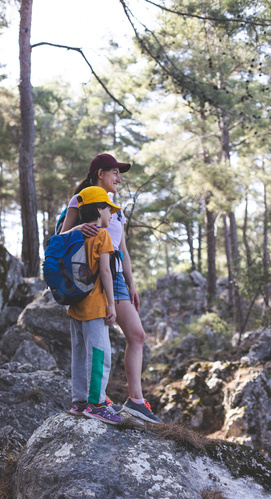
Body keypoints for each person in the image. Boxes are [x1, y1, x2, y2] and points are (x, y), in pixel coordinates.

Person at [62, 153, 162, 424]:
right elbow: (59, 237)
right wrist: (80, 228)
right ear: (99, 174)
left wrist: (132, 283)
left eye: (120, 173)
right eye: (114, 172)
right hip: (93, 276)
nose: (119, 178)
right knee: (98, 342)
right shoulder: (81, 200)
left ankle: (135, 401)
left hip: (116, 276)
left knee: (137, 336)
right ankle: (92, 400)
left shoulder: (115, 208)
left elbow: (123, 250)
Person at [66, 186, 123, 425]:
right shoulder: (102, 236)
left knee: (79, 353)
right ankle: (97, 404)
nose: (111, 215)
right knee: (99, 353)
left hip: (74, 305)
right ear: (99, 210)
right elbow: (105, 272)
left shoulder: (73, 234)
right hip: (96, 305)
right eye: (109, 210)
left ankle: (79, 402)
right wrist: (112, 304)